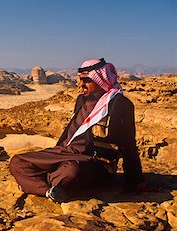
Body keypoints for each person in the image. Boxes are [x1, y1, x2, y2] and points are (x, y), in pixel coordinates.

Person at [9, 58, 154, 203]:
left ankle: (33, 183)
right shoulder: (81, 99)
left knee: (71, 171)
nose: (81, 84)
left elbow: (129, 144)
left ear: (100, 80)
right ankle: (48, 190)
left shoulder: (119, 104)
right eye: (80, 80)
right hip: (65, 153)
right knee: (17, 161)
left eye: (86, 80)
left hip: (96, 162)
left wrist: (136, 181)